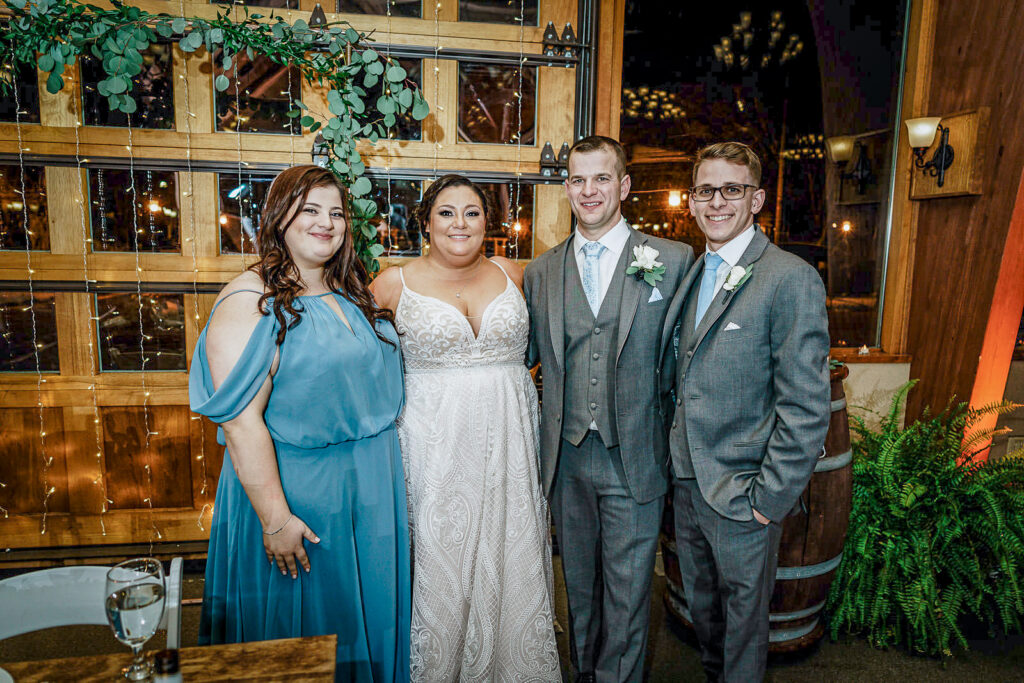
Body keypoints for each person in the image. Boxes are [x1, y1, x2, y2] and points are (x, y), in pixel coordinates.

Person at [190, 165, 410, 683]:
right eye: (309, 209)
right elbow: (241, 424)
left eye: (335, 212)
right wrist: (276, 519)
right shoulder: (250, 300)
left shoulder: (347, 288)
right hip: (300, 495)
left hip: (369, 486)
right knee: (307, 638)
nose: (325, 223)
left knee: (364, 627)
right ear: (278, 218)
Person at [371, 174, 560, 681]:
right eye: (447, 212)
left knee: (509, 551)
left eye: (472, 212)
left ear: (487, 222)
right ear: (426, 222)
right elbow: (360, 362)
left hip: (509, 444)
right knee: (441, 558)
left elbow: (553, 344)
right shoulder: (392, 284)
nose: (460, 223)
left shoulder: (514, 274)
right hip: (433, 448)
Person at [523, 136, 693, 682]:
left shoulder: (671, 260)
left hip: (635, 455)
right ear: (567, 187)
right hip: (568, 457)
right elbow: (521, 359)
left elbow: (688, 360)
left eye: (601, 178)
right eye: (577, 179)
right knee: (577, 587)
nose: (589, 190)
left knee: (629, 594)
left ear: (623, 185)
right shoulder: (541, 272)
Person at [665, 141, 830, 682]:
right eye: (706, 190)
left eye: (731, 189)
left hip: (744, 494)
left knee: (743, 632)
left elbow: (806, 406)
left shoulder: (789, 277)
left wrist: (767, 501)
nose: (717, 202)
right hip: (687, 485)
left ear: (756, 199)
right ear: (692, 201)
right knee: (705, 619)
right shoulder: (693, 271)